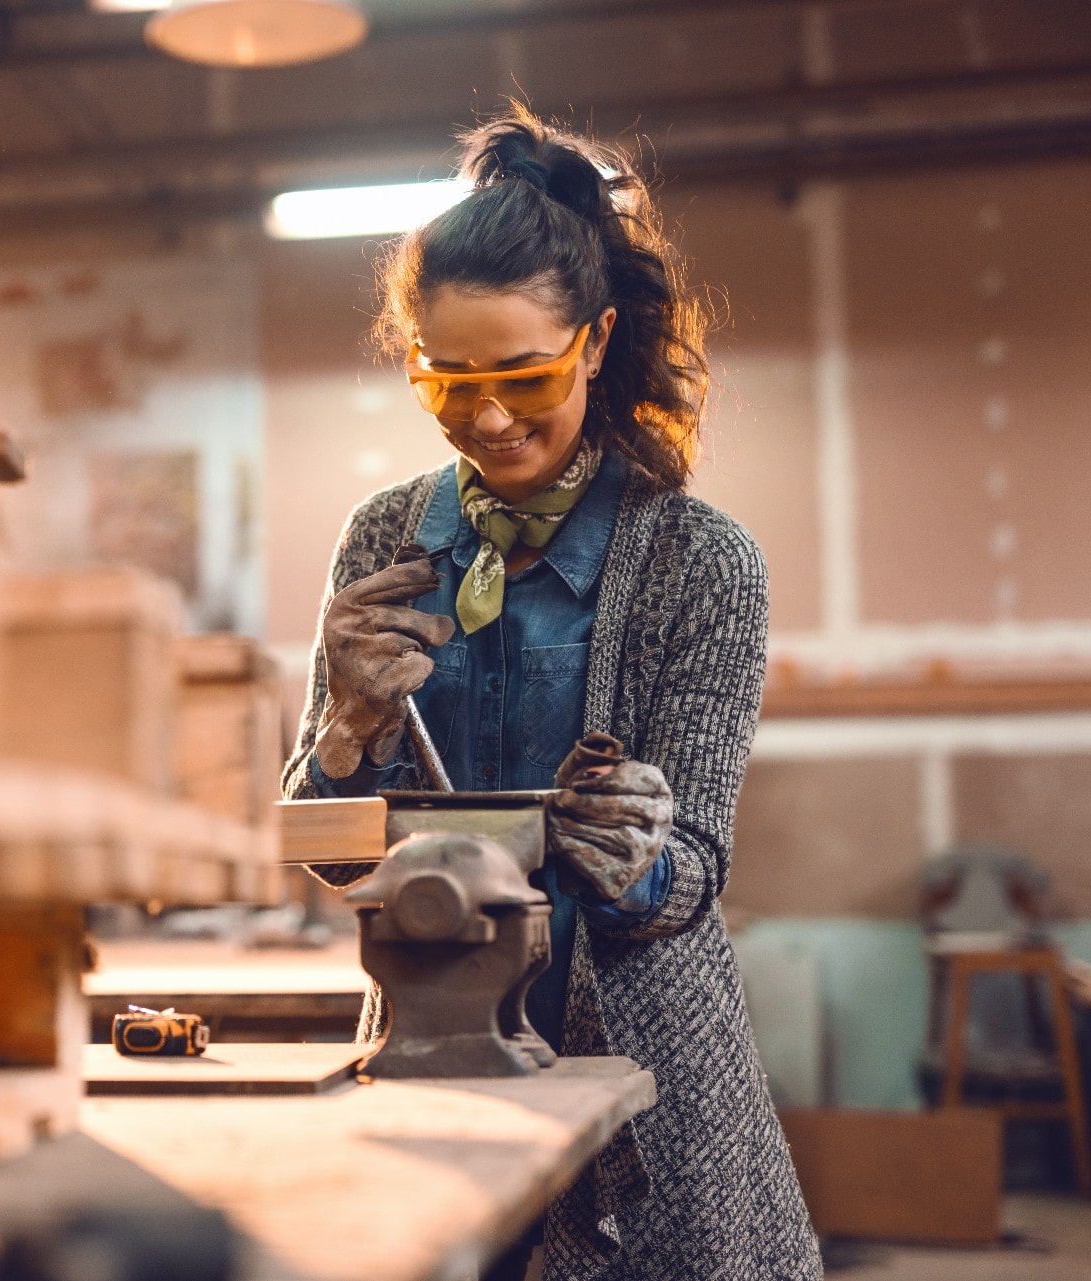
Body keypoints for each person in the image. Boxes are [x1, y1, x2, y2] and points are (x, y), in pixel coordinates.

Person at [281, 108, 822, 1279]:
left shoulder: (698, 563)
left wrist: (638, 856)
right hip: (435, 1061)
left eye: (524, 377)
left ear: (595, 339)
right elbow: (324, 850)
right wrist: (346, 729)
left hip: (648, 1081)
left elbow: (695, 877)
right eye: (447, 384)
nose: (486, 420)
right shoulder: (384, 537)